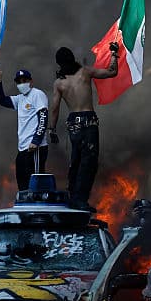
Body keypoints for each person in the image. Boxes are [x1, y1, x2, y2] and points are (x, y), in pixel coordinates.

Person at [48, 43, 119, 211]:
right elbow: (112, 72)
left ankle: (73, 196)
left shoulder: (59, 83)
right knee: (89, 162)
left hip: (73, 123)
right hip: (88, 121)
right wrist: (114, 54)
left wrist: (52, 129)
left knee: (76, 160)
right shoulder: (85, 72)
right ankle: (80, 200)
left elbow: (54, 108)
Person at [0, 66, 49, 191]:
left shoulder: (37, 94)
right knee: (23, 184)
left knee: (35, 185)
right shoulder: (19, 99)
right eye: (19, 81)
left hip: (36, 148)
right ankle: (26, 207)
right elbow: (1, 100)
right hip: (23, 149)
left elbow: (43, 117)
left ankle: (37, 208)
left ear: (31, 81)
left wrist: (36, 141)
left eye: (24, 80)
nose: (21, 83)